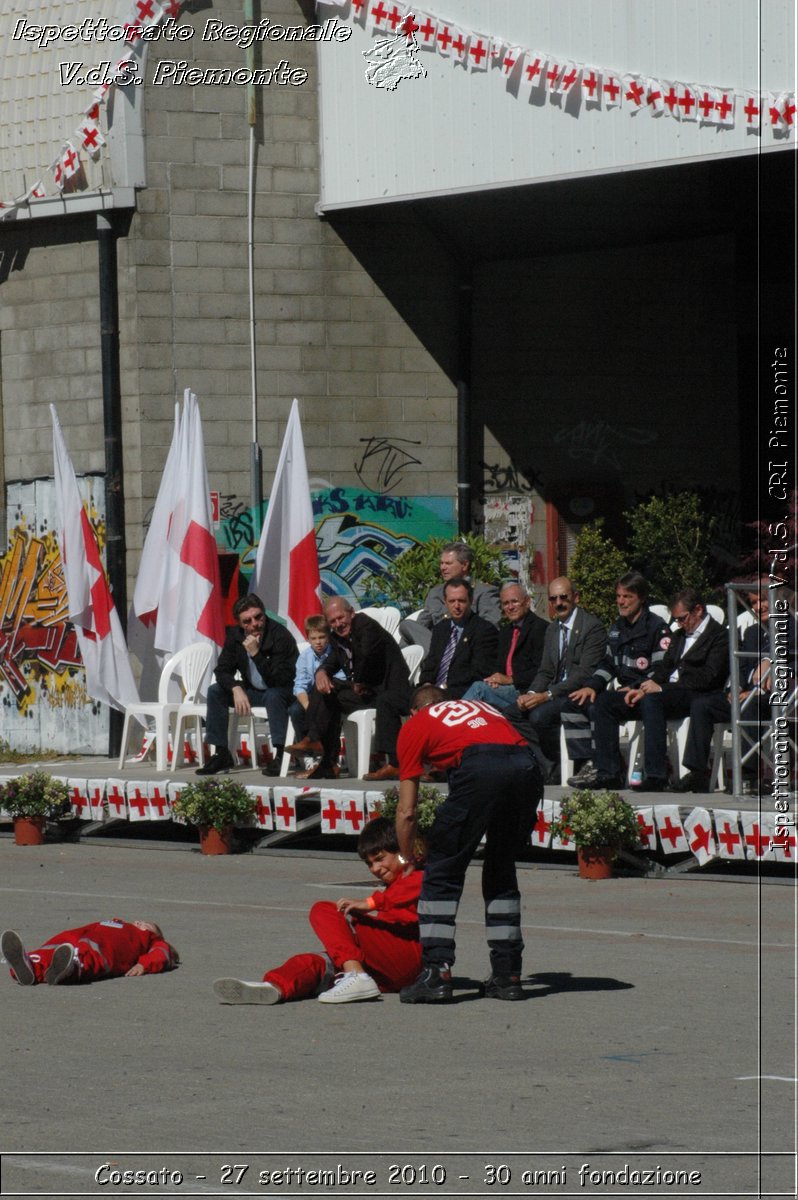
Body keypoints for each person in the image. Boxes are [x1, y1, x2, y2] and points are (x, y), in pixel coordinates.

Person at [395, 684, 542, 1003]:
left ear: (414, 711)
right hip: (526, 766)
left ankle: (437, 971)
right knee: (501, 871)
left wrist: (408, 858)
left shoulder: (416, 724)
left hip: (479, 767)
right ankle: (507, 975)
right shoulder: (481, 707)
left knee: (442, 871)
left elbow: (407, 811)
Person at [213, 818, 421, 1005]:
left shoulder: (419, 873)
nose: (375, 868)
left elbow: (409, 890)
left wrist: (369, 903)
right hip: (383, 972)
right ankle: (274, 987)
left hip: (408, 955)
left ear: (401, 852)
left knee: (325, 910)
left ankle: (355, 975)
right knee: (318, 962)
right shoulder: (394, 885)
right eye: (369, 863)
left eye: (380, 858)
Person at [591, 587, 729, 792]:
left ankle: (656, 774)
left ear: (698, 610)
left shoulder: (718, 636)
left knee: (651, 700)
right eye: (677, 620)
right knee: (606, 701)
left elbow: (709, 677)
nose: (679, 623)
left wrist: (661, 689)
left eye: (682, 618)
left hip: (694, 694)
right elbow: (664, 668)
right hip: (664, 693)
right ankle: (609, 772)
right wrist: (641, 687)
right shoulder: (680, 635)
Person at [675, 582, 797, 793]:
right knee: (702, 705)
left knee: (751, 708)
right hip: (748, 693)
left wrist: (773, 664)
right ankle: (697, 773)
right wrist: (738, 687)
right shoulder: (751, 633)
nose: (758, 607)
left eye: (763, 600)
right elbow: (741, 667)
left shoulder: (793, 628)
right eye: (753, 603)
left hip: (781, 697)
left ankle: (748, 775)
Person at [560, 573, 672, 787]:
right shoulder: (617, 628)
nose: (621, 601)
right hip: (623, 694)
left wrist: (634, 686)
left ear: (641, 598)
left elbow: (661, 669)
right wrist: (592, 686)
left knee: (616, 703)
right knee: (583, 701)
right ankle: (606, 772)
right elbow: (608, 664)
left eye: (627, 596)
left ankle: (656, 775)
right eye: (618, 596)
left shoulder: (657, 628)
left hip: (648, 692)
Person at [285, 597, 410, 781]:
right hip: (367, 691)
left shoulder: (366, 626)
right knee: (326, 691)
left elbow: (364, 657)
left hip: (390, 689)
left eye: (341, 617)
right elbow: (332, 662)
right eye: (333, 621)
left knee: (338, 689)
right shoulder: (337, 638)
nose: (338, 624)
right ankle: (322, 753)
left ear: (352, 613)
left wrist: (348, 682)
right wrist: (321, 672)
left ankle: (394, 764)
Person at [506, 577, 605, 782]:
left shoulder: (592, 627)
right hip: (552, 692)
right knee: (511, 714)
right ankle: (551, 764)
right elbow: (545, 671)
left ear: (575, 597)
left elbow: (585, 673)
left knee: (539, 716)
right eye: (553, 599)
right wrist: (531, 694)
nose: (558, 603)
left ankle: (560, 763)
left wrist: (547, 695)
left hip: (575, 693)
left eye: (563, 597)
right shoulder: (552, 629)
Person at [196, 593, 298, 777]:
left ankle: (282, 754)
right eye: (247, 621)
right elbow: (222, 670)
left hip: (283, 692)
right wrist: (236, 688)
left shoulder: (280, 635)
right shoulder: (236, 636)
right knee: (216, 691)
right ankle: (221, 753)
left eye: (258, 617)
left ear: (264, 614)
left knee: (273, 695)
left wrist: (256, 654)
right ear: (240, 624)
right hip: (253, 690)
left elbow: (279, 679)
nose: (254, 624)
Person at [2, 920, 178, 986]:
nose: (140, 922)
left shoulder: (150, 939)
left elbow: (162, 953)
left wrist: (144, 965)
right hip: (84, 934)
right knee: (56, 946)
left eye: (148, 923)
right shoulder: (118, 922)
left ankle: (70, 969)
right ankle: (29, 967)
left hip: (111, 947)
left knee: (92, 956)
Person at [400, 541, 501, 651]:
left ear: (465, 565)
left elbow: (490, 628)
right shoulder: (435, 592)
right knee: (408, 627)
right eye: (441, 563)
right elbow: (421, 625)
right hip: (436, 647)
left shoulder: (484, 592)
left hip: (467, 646)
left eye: (448, 563)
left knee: (407, 625)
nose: (443, 568)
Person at [461, 582, 547, 711]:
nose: (510, 607)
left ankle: (451, 726)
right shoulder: (505, 632)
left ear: (527, 602)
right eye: (506, 603)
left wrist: (510, 679)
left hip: (526, 691)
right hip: (504, 689)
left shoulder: (541, 628)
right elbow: (499, 666)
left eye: (514, 601)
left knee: (479, 689)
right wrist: (495, 679)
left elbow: (542, 670)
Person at [417, 578, 499, 699]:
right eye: (451, 601)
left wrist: (443, 688)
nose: (456, 606)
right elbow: (431, 661)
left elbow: (479, 671)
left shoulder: (484, 630)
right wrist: (426, 683)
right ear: (445, 602)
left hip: (461, 691)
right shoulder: (441, 628)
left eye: (461, 601)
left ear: (471, 600)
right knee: (391, 700)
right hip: (433, 689)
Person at [287, 614, 347, 769]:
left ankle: (329, 757)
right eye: (314, 638)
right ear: (308, 639)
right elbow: (299, 685)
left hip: (332, 694)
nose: (318, 642)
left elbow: (339, 679)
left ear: (328, 636)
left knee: (329, 710)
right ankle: (308, 755)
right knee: (295, 710)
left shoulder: (336, 653)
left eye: (322, 637)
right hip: (313, 698)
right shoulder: (305, 657)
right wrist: (309, 707)